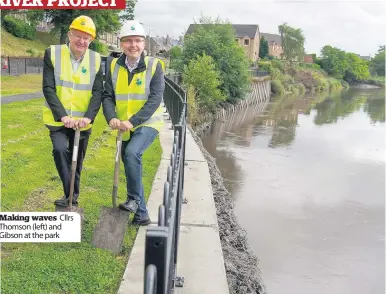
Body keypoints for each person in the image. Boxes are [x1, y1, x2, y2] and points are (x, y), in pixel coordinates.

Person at [102, 20, 165, 225]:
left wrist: (133, 120)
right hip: (124, 125)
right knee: (130, 163)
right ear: (121, 44)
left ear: (144, 44)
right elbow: (107, 95)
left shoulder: (155, 66)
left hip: (147, 123)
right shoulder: (113, 65)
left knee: (131, 154)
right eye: (128, 41)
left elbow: (155, 99)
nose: (133, 45)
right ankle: (142, 215)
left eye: (137, 40)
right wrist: (111, 116)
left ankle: (134, 199)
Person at [42, 15, 104, 207]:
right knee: (60, 150)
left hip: (82, 122)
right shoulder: (52, 53)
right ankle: (70, 193)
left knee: (77, 160)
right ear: (70, 34)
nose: (81, 41)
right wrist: (62, 116)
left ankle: (71, 198)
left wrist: (88, 118)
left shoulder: (96, 60)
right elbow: (48, 88)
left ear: (91, 40)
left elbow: (98, 92)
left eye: (86, 38)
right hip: (59, 120)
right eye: (78, 35)